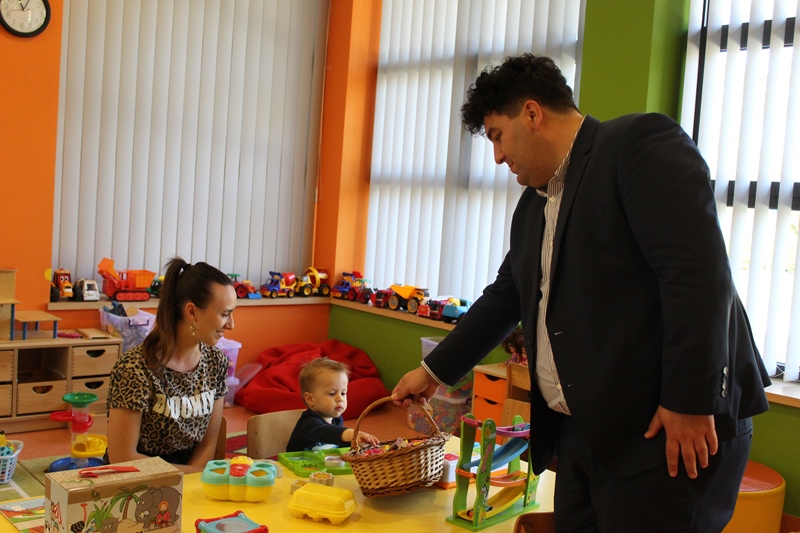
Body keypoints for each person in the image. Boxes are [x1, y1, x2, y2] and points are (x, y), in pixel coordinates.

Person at [392, 54, 771, 532]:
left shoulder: (636, 146)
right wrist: (433, 371)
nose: (497, 156)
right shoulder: (534, 206)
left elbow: (697, 277)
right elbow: (505, 296)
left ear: (532, 114)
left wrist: (690, 401)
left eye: (497, 136)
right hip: (583, 434)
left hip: (666, 430)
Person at [106, 257, 236, 473]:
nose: (231, 324)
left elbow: (207, 445)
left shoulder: (216, 362)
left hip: (191, 476)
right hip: (139, 480)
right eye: (225, 314)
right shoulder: (134, 368)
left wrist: (192, 480)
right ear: (192, 312)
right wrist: (189, 478)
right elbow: (122, 457)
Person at [286, 357, 380, 452]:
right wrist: (352, 434)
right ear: (310, 399)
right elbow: (326, 433)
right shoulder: (308, 423)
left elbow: (336, 443)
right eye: (332, 394)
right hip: (294, 461)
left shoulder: (337, 419)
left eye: (343, 393)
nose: (340, 399)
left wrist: (356, 443)